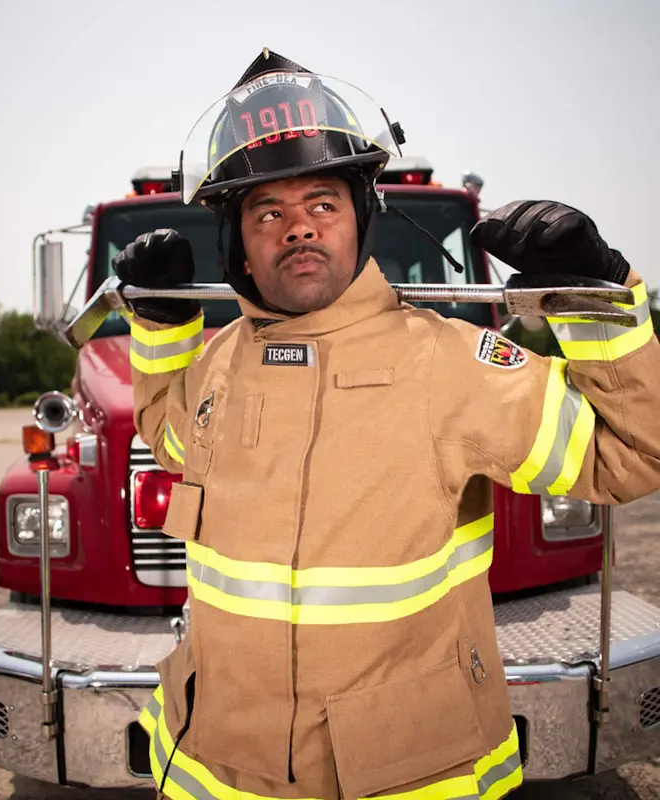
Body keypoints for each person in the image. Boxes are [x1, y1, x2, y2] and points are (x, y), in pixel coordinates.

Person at [114, 49, 660, 800]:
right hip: (216, 771)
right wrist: (163, 328)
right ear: (236, 241)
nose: (297, 228)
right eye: (267, 211)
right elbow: (163, 433)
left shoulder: (452, 362)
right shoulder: (214, 367)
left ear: (361, 217)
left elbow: (631, 453)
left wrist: (595, 296)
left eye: (322, 203)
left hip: (403, 778)